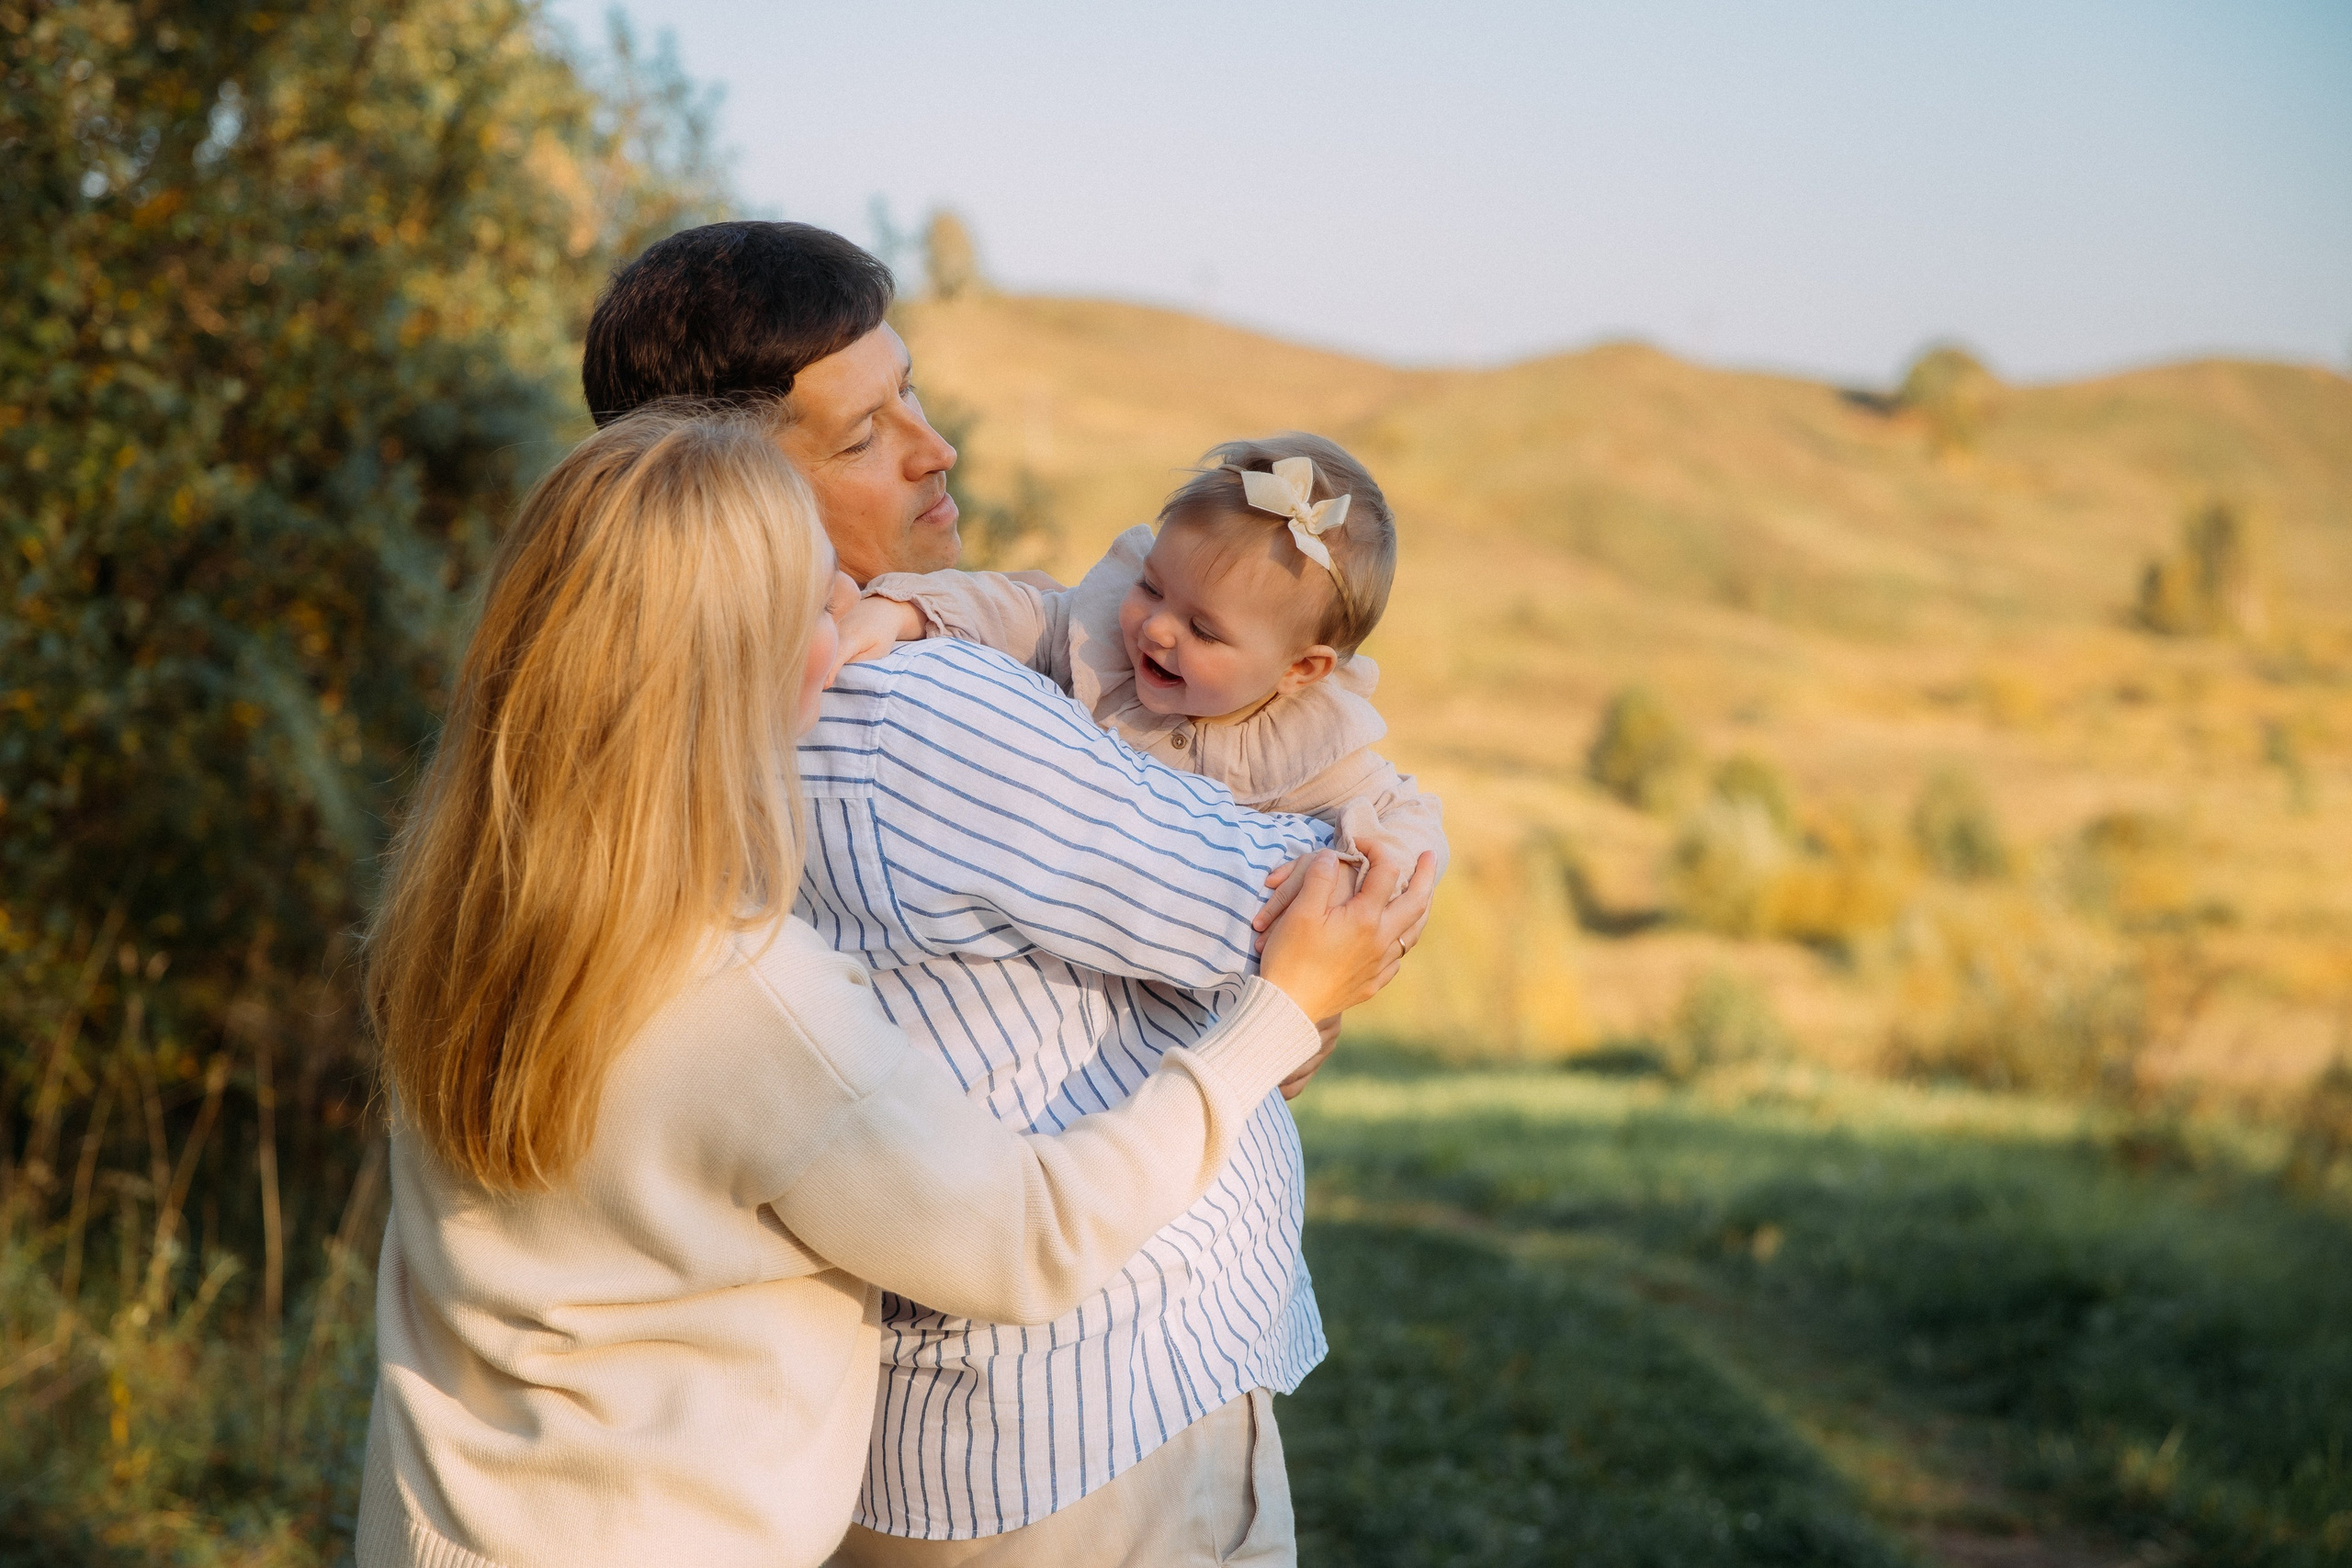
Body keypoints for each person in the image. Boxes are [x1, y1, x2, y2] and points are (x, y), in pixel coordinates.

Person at [353, 406, 1430, 1568]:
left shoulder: (469, 889)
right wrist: (1272, 1021)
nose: (857, 627)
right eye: (823, 602)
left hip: (453, 1521)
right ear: (740, 660)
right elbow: (1027, 1238)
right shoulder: (747, 988)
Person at [583, 222, 1436, 1564]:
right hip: (1093, 1418)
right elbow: (1305, 914)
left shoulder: (643, 708)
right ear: (729, 484)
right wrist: (1306, 990)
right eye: (867, 433)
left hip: (941, 1423)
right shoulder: (902, 712)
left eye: (910, 391)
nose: (937, 447)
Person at [837, 433, 1449, 897]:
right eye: (1152, 587)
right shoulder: (1098, 641)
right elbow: (1013, 609)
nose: (1156, 627)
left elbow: (1406, 813)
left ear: (1301, 670)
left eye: (1203, 629)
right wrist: (900, 610)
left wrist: (1381, 860)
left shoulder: (1307, 746)